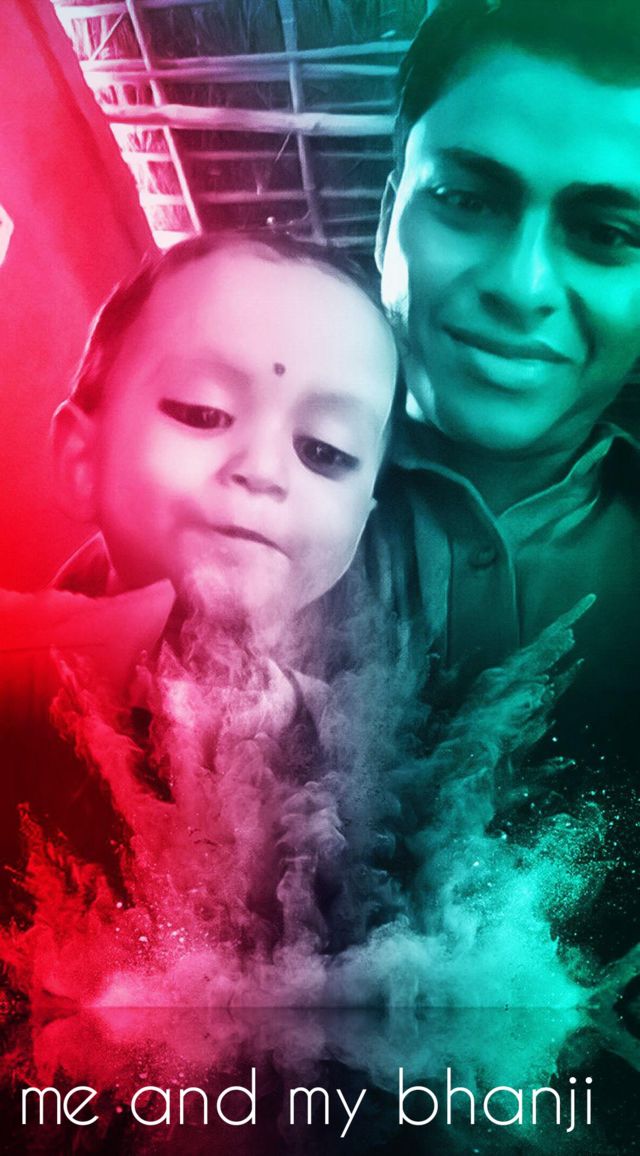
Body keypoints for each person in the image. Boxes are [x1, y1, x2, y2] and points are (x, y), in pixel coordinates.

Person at [0, 230, 398, 923]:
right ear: (82, 459)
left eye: (325, 451)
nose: (263, 470)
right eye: (203, 413)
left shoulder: (362, 763)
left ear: (361, 525)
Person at [369, 0, 640, 960]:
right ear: (389, 213)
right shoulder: (201, 528)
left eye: (606, 233)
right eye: (468, 200)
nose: (521, 288)